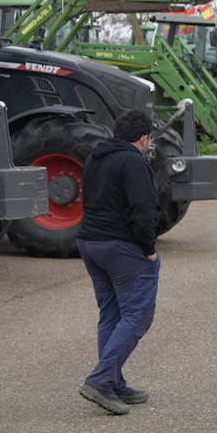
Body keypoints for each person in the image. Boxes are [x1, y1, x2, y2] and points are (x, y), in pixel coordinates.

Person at [75, 108, 162, 416]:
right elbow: (142, 209)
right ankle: (100, 381)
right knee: (137, 315)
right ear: (143, 138)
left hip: (90, 243)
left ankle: (113, 381)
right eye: (149, 140)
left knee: (111, 314)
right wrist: (148, 248)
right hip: (121, 247)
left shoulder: (96, 156)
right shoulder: (133, 161)